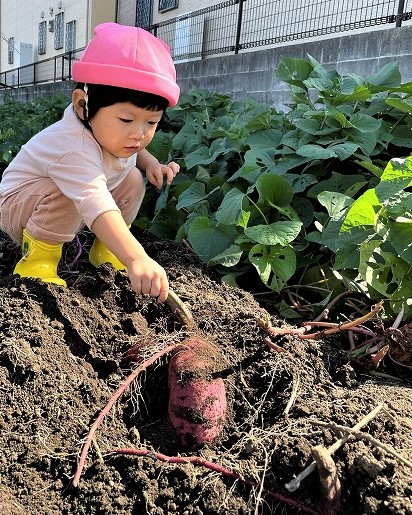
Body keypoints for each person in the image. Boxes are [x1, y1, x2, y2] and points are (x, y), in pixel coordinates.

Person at [0, 22, 180, 303]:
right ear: (83, 104)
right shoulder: (73, 148)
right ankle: (37, 261)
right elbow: (94, 201)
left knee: (132, 178)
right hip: (19, 207)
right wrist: (136, 258)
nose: (138, 133)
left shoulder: (111, 134)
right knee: (67, 192)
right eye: (126, 119)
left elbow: (134, 153)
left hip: (65, 202)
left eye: (151, 122)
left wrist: (151, 163)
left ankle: (107, 251)